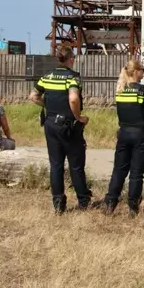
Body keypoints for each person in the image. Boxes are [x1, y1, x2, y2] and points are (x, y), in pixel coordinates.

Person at [29, 45, 92, 214]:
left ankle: (58, 203)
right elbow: (73, 98)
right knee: (76, 165)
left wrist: (47, 105)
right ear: (70, 59)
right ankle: (83, 200)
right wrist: (79, 117)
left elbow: (33, 96)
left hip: (50, 124)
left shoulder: (46, 77)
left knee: (56, 165)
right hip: (69, 126)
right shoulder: (72, 78)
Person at [104, 59, 144, 217]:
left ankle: (110, 202)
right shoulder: (142, 90)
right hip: (140, 134)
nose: (143, 73)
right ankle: (132, 206)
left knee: (119, 170)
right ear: (135, 72)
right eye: (142, 70)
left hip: (123, 133)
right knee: (136, 173)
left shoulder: (120, 90)